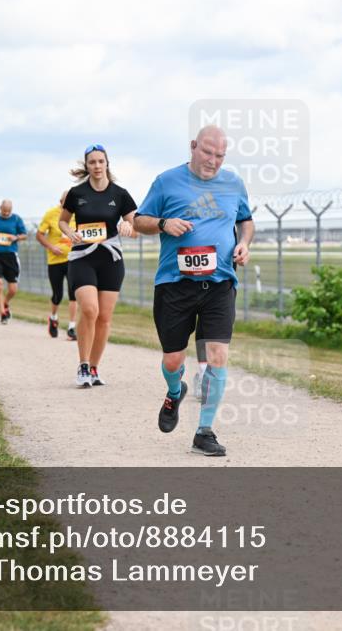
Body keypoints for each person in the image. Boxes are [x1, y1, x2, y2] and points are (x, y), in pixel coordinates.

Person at [133, 125, 254, 457]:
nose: (213, 161)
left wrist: (244, 244)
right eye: (207, 152)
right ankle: (175, 391)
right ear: (193, 146)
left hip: (220, 282)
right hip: (175, 284)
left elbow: (245, 221)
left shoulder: (233, 183)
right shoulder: (166, 181)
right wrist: (163, 224)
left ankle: (204, 431)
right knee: (173, 360)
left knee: (217, 355)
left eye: (220, 156)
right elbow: (139, 220)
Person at [58, 144, 137, 388]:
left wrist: (128, 226)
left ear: (107, 163)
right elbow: (63, 221)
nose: (97, 166)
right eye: (92, 162)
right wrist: (69, 232)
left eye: (101, 161)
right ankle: (83, 365)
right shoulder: (76, 193)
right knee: (90, 309)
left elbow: (136, 226)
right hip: (82, 257)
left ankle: (94, 368)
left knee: (104, 317)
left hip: (111, 259)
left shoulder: (120, 194)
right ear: (87, 165)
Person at [36, 190, 77, 340]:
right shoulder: (51, 214)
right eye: (66, 201)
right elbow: (39, 235)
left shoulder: (78, 214)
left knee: (74, 294)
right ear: (61, 202)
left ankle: (72, 327)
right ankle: (53, 318)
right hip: (55, 261)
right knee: (57, 294)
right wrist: (51, 247)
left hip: (73, 259)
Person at [0, 199, 27, 324]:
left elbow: (24, 235)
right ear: (0, 208)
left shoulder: (16, 219)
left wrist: (16, 237)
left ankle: (5, 303)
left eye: (9, 211)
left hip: (11, 256)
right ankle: (2, 313)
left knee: (13, 290)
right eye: (4, 211)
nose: (6, 213)